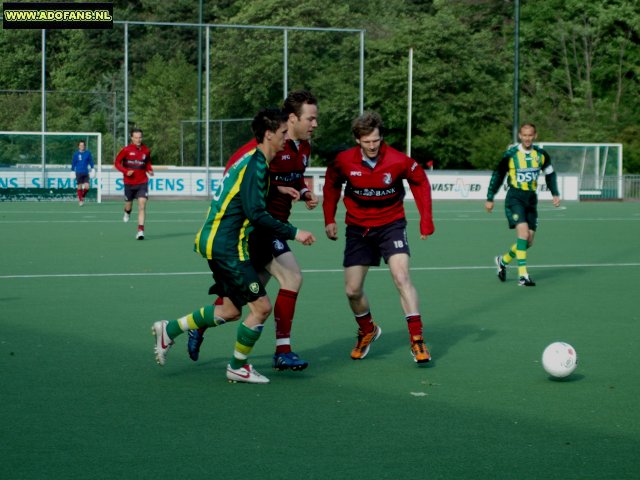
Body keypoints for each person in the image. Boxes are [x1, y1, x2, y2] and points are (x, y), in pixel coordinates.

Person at [151, 108, 316, 384]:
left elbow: (246, 191)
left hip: (214, 240)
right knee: (261, 307)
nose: (287, 138)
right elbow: (257, 215)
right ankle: (238, 366)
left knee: (230, 310)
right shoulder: (258, 164)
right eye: (282, 133)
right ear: (268, 134)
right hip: (228, 245)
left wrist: (280, 190)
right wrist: (294, 232)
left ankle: (169, 329)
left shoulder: (253, 160)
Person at [187, 90, 319, 372]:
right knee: (292, 279)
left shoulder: (303, 147)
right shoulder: (260, 148)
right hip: (260, 229)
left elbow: (293, 177)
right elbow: (235, 177)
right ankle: (281, 351)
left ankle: (197, 326)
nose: (315, 124)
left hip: (273, 226)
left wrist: (304, 190)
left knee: (238, 302)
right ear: (292, 119)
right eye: (311, 118)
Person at [322, 111, 435, 365]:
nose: (372, 146)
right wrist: (329, 218)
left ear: (381, 137)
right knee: (352, 290)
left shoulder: (397, 160)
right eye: (367, 142)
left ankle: (417, 340)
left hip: (391, 225)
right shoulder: (343, 161)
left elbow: (420, 181)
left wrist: (426, 220)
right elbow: (331, 185)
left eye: (376, 140)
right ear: (357, 140)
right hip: (358, 229)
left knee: (401, 276)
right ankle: (367, 330)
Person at [485, 123, 561, 287]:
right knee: (523, 235)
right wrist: (490, 197)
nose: (527, 138)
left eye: (530, 135)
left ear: (535, 136)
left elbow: (550, 174)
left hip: (531, 200)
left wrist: (554, 192)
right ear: (520, 136)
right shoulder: (511, 154)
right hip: (515, 198)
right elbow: (498, 175)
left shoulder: (541, 155)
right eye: (524, 135)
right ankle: (523, 275)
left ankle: (502, 260)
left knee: (529, 241)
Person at [114, 128, 154, 240]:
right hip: (129, 183)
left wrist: (149, 170)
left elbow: (148, 163)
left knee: (142, 205)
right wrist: (126, 171)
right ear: (132, 138)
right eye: (136, 137)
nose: (138, 139)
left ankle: (140, 231)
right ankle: (127, 212)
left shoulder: (146, 150)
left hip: (142, 182)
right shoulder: (126, 150)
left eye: (140, 137)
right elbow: (117, 163)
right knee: (128, 205)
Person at [71, 140, 94, 206]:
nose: (82, 146)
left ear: (85, 146)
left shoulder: (88, 153)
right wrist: (72, 170)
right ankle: (80, 200)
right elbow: (73, 163)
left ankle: (82, 196)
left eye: (83, 145)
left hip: (86, 172)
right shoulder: (76, 154)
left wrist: (92, 169)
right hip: (78, 172)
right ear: (78, 146)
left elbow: (91, 161)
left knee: (87, 187)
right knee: (79, 187)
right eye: (80, 145)